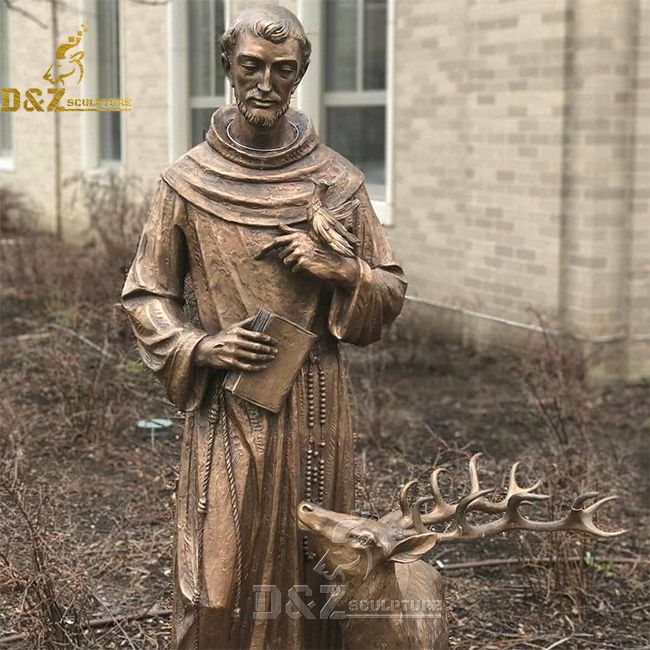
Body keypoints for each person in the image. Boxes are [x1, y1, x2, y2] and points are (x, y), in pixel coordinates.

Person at [122, 6, 406, 649]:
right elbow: (146, 293)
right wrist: (201, 344)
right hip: (229, 406)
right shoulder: (187, 183)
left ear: (301, 73)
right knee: (217, 574)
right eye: (251, 66)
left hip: (315, 408)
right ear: (228, 66)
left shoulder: (335, 182)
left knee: (313, 573)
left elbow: (389, 293)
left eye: (283, 69)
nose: (265, 83)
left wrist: (345, 270)